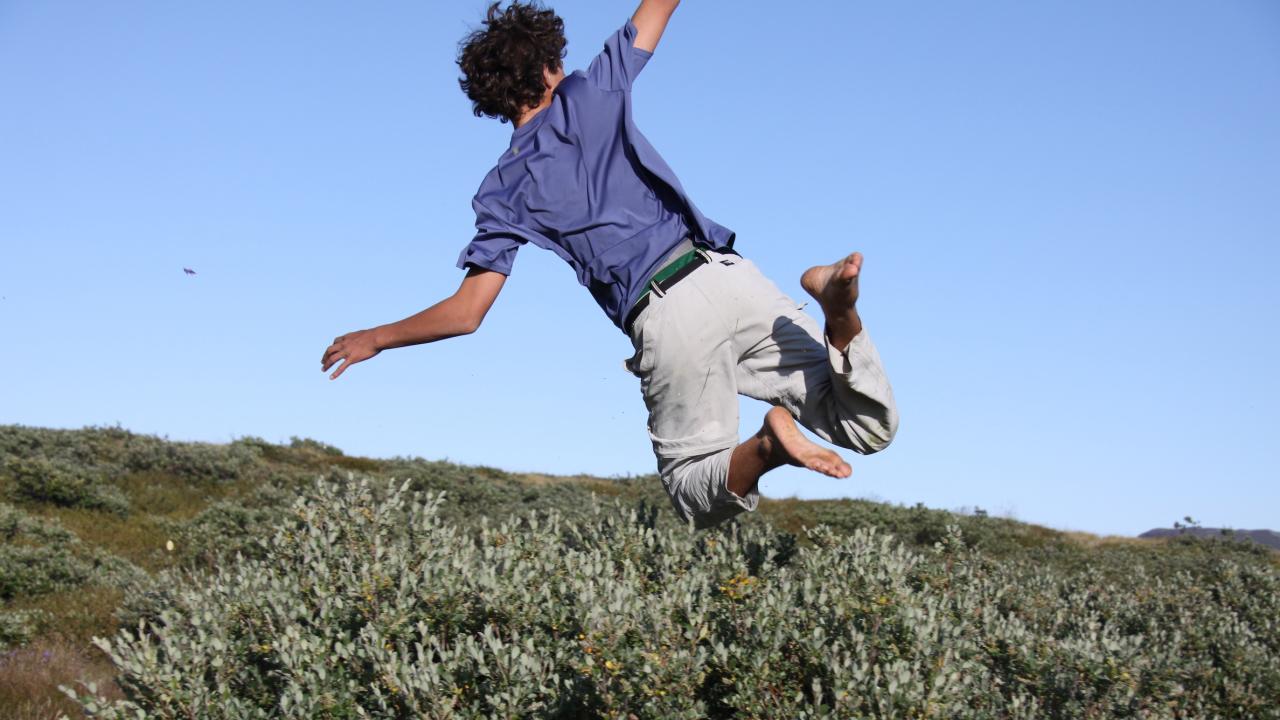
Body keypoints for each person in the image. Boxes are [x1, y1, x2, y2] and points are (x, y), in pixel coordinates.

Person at [321, 0, 898, 529]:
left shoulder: (501, 190)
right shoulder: (592, 92)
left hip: (667, 318)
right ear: (549, 67)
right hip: (728, 278)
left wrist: (377, 337)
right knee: (869, 427)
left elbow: (467, 312)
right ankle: (837, 309)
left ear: (491, 97)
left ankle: (769, 448)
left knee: (694, 487)